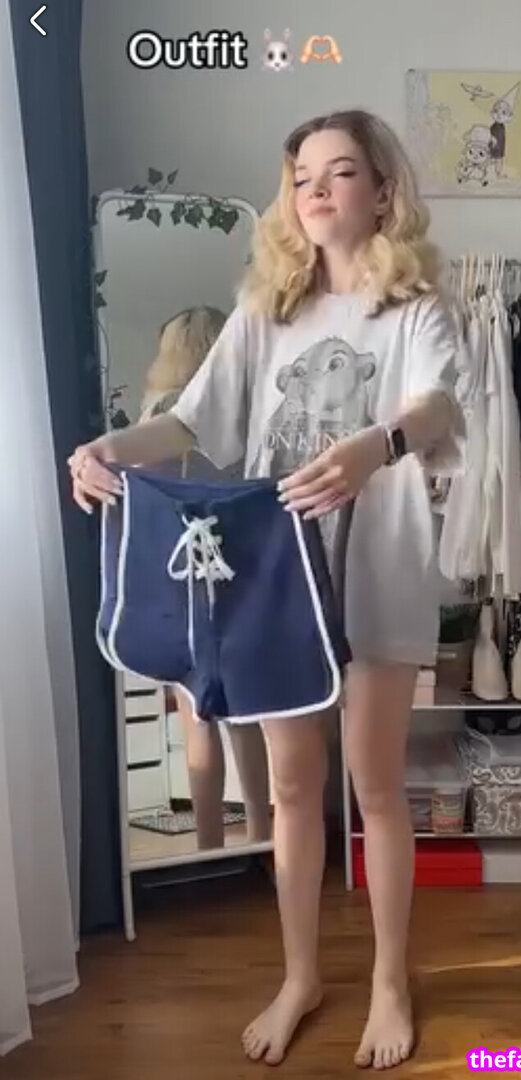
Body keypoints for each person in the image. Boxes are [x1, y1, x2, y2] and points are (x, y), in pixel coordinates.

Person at [68, 109, 464, 1070]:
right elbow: (188, 421)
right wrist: (106, 446)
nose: (316, 189)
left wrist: (376, 444)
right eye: (301, 176)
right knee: (291, 788)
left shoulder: (416, 309)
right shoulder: (266, 312)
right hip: (276, 576)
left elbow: (437, 407)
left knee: (375, 786)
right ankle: (299, 977)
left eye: (340, 171)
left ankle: (388, 979)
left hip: (377, 564)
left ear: (382, 190)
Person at [138, 306, 271, 850]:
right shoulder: (242, 411)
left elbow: (142, 504)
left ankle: (208, 844)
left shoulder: (160, 418)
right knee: (247, 719)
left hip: (182, 581)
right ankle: (262, 835)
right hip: (242, 579)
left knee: (196, 718)